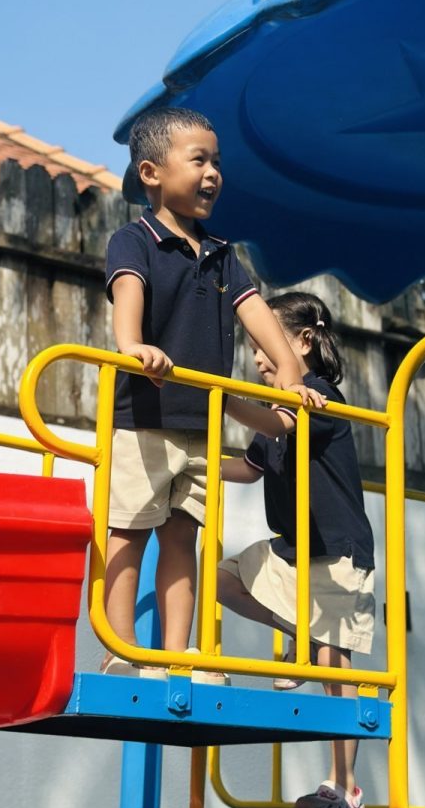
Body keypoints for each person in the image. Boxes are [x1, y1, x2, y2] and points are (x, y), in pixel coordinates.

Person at [101, 107, 322, 682]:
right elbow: (128, 295)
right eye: (198, 160)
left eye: (217, 163)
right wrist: (133, 345)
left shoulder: (223, 254)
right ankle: (122, 647)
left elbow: (256, 313)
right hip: (143, 420)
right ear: (151, 172)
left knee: (184, 538)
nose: (213, 174)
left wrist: (290, 370)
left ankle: (176, 653)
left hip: (201, 426)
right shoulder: (135, 240)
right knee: (128, 531)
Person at [218, 291, 375, 808]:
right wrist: (199, 465)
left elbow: (280, 426)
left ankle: (346, 786)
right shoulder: (276, 408)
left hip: (335, 548)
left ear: (303, 343)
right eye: (253, 349)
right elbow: (250, 466)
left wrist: (218, 396)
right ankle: (302, 634)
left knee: (333, 661)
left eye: (266, 346)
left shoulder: (318, 396)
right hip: (293, 550)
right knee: (222, 579)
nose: (258, 359)